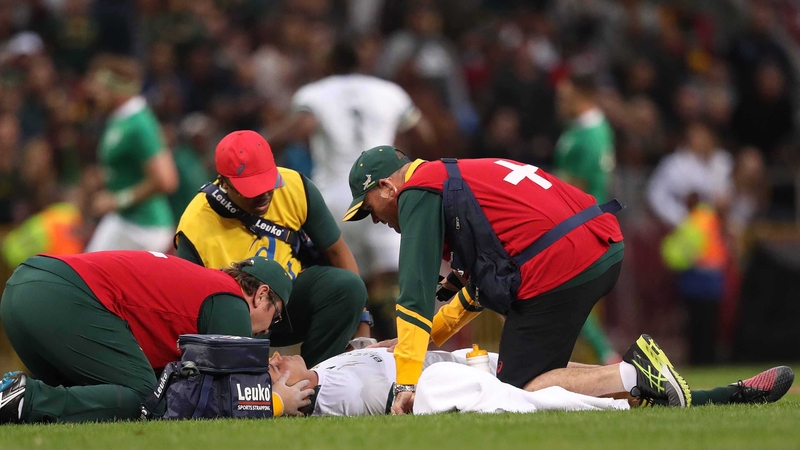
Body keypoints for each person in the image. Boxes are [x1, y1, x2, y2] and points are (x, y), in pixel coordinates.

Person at [342, 145, 683, 414]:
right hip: (594, 244)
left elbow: (414, 294)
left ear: (387, 187)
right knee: (536, 374)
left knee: (517, 390)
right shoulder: (449, 175)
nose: (374, 221)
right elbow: (484, 285)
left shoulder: (417, 191)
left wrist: (405, 385)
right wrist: (430, 336)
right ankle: (642, 392)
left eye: (368, 209)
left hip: (564, 260)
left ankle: (636, 375)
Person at [0, 252, 314, 424]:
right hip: (61, 296)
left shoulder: (207, 287)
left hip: (29, 288)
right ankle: (26, 399)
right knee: (144, 397)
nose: (264, 332)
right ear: (261, 295)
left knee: (96, 399)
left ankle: (20, 396)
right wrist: (275, 401)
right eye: (273, 319)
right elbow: (227, 400)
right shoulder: (230, 301)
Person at [267, 41, 433, 338]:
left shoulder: (314, 93)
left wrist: (262, 141)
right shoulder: (389, 92)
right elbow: (423, 133)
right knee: (396, 279)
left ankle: (361, 347)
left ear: (329, 62)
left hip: (334, 199)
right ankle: (405, 345)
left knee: (350, 279)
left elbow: (301, 128)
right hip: (387, 192)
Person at [175, 130, 368, 367]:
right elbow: (187, 308)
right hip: (237, 319)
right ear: (224, 182)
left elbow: (337, 252)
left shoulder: (295, 186)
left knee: (346, 285)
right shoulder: (194, 226)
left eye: (268, 184)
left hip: (289, 303)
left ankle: (317, 382)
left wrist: (363, 321)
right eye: (252, 189)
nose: (264, 195)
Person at [267, 343, 794, 416]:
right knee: (531, 385)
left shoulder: (331, 361)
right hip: (450, 391)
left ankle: (688, 393)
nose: (275, 361)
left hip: (454, 363)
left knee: (532, 368)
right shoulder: (321, 393)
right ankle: (637, 375)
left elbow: (391, 347)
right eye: (268, 370)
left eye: (272, 359)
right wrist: (281, 400)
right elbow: (405, 406)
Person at [553, 70, 620, 365]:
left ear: (582, 97)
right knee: (562, 293)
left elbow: (577, 183)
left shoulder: (593, 136)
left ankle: (607, 356)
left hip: (579, 222)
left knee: (563, 293)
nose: (559, 103)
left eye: (565, 98)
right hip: (570, 220)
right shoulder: (580, 129)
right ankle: (604, 356)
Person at [84, 54, 178, 252]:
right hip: (125, 221)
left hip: (143, 229)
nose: (95, 93)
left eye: (100, 88)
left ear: (116, 89)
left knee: (87, 278)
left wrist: (118, 199)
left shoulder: (139, 124)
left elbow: (167, 180)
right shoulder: (119, 119)